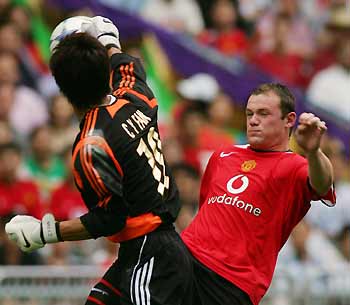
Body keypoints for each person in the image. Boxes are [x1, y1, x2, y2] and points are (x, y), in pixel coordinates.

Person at [5, 16, 193, 305]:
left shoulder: (91, 146)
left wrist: (44, 232)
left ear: (61, 86)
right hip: (152, 248)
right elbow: (129, 67)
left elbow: (110, 218)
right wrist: (108, 42)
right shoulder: (133, 97)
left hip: (151, 257)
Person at [181, 83, 336, 305]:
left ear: (289, 120)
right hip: (186, 258)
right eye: (249, 113)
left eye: (263, 114)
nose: (253, 120)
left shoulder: (296, 166)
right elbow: (206, 207)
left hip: (230, 283)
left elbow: (323, 184)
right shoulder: (223, 155)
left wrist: (313, 151)